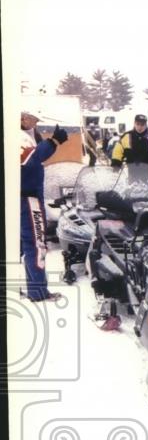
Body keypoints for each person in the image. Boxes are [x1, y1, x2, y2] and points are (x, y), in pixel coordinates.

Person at [20, 111, 68, 301]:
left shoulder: (29, 134)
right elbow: (31, 160)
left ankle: (33, 288)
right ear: (23, 118)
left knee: (25, 244)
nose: (36, 123)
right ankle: (38, 291)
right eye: (33, 119)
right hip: (29, 198)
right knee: (36, 244)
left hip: (25, 196)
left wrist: (50, 143)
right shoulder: (19, 136)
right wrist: (54, 141)